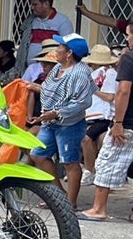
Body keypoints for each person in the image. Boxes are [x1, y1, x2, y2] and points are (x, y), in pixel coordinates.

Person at [79, 16, 133, 225]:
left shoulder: (131, 58)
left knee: (108, 160)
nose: (126, 40)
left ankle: (99, 209)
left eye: (127, 35)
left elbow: (123, 91)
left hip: (131, 121)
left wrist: (118, 122)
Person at [26, 34, 95, 209]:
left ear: (69, 53)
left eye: (60, 48)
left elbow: (83, 102)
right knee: (37, 155)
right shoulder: (58, 68)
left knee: (70, 162)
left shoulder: (80, 73)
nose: (56, 50)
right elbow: (51, 91)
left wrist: (57, 113)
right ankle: (60, 196)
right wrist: (37, 89)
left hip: (69, 124)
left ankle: (70, 203)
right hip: (50, 122)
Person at [11, 0, 73, 80]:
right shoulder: (30, 21)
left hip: (52, 71)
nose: (32, 8)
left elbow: (68, 47)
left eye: (35, 4)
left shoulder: (63, 22)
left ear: (46, 4)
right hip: (30, 70)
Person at [81, 44, 121, 186]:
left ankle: (89, 170)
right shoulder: (94, 74)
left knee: (86, 139)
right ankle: (91, 169)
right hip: (91, 114)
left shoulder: (110, 74)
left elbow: (110, 97)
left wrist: (94, 90)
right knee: (87, 139)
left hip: (105, 116)